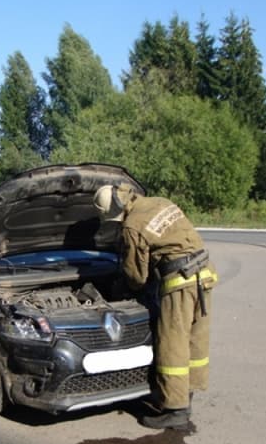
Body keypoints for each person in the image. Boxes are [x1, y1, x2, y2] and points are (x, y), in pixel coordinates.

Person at [93, 184, 218, 429]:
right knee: (195, 339)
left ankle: (176, 410)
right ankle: (186, 394)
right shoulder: (160, 202)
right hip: (204, 273)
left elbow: (136, 275)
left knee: (173, 344)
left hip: (180, 281)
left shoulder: (132, 226)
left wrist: (123, 289)